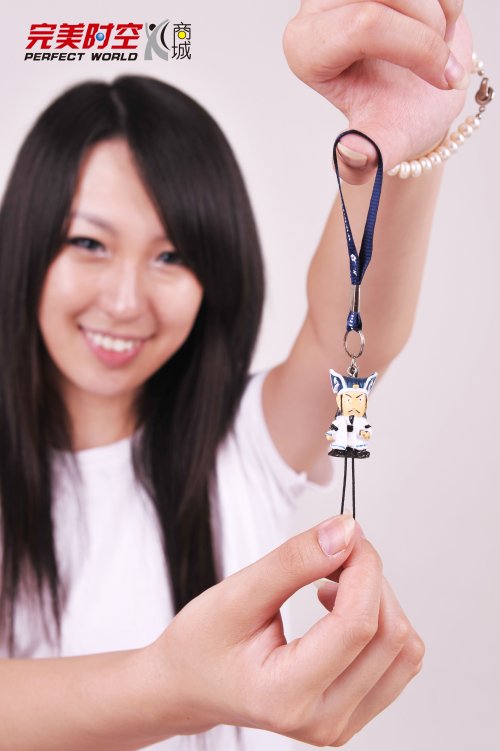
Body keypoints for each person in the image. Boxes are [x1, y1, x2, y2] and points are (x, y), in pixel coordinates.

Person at [0, 1, 471, 748]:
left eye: (171, 255)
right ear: (27, 244)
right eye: (89, 243)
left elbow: (351, 334)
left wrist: (389, 146)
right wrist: (174, 685)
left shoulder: (245, 441)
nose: (124, 300)